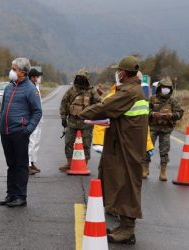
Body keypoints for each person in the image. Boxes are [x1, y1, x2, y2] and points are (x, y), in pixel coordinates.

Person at [79, 56, 149, 244]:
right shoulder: (133, 90)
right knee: (120, 182)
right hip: (126, 144)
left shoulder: (129, 92)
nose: (117, 73)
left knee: (126, 184)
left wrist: (82, 113)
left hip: (127, 147)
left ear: (123, 73)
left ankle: (128, 230)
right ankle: (124, 226)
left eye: (118, 70)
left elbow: (106, 107)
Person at [0, 58, 42, 207]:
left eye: (14, 69)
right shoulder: (9, 87)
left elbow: (37, 112)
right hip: (6, 132)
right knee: (11, 164)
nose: (11, 71)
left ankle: (21, 196)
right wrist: (1, 126)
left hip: (19, 132)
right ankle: (10, 194)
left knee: (21, 165)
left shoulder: (31, 89)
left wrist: (28, 129)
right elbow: (3, 107)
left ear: (23, 72)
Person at [59, 68, 101, 172]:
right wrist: (63, 117)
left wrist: (94, 115)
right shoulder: (71, 90)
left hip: (86, 123)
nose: (81, 80)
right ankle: (69, 163)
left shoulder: (91, 91)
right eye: (79, 78)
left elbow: (99, 104)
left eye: (83, 78)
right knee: (68, 142)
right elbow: (64, 103)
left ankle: (84, 163)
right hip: (72, 121)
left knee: (86, 144)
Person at [148, 77, 184, 181]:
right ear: (159, 88)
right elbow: (146, 111)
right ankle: (145, 168)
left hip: (166, 130)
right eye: (163, 87)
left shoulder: (173, 101)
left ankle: (163, 171)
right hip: (153, 128)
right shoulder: (152, 99)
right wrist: (153, 114)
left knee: (164, 150)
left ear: (171, 89)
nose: (165, 90)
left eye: (168, 88)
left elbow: (180, 113)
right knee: (148, 148)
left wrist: (171, 115)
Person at [27, 68, 43, 175]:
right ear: (32, 77)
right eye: (37, 76)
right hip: (32, 119)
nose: (38, 78)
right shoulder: (29, 87)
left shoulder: (36, 86)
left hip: (38, 120)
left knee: (36, 142)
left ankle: (32, 162)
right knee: (31, 143)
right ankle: (27, 165)